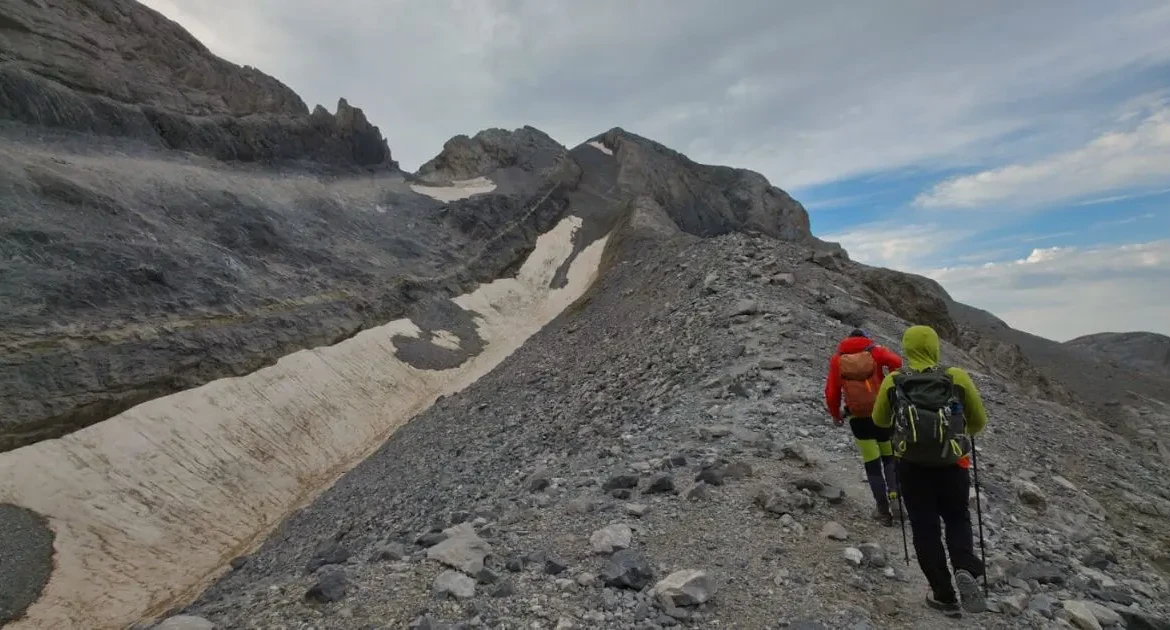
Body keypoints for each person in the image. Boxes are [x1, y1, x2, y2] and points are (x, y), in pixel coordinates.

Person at [872, 324, 989, 616]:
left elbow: (879, 421)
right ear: (935, 346)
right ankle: (964, 567)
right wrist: (956, 435)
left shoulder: (895, 381)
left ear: (908, 347)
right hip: (953, 465)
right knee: (958, 518)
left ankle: (943, 594)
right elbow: (979, 422)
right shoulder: (956, 377)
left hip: (912, 467)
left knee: (925, 528)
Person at [824, 328, 904, 526]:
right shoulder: (875, 351)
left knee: (872, 463)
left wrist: (836, 415)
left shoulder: (837, 359)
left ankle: (883, 511)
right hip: (882, 413)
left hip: (858, 417)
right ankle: (896, 498)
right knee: (889, 458)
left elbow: (832, 392)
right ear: (865, 338)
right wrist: (891, 381)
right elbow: (897, 362)